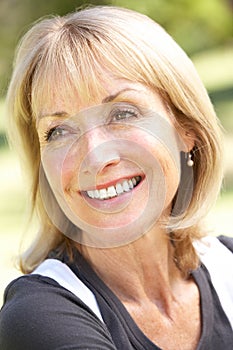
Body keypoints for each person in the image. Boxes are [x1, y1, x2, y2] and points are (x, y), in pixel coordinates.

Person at [0, 5, 232, 350]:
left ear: (187, 129)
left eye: (122, 113)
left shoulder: (227, 265)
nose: (95, 157)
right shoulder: (38, 318)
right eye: (58, 131)